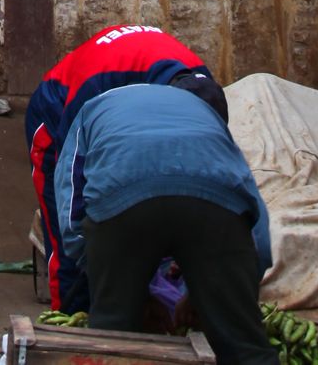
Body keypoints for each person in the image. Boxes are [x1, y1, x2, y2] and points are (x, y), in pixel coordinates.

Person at [54, 71, 274, 365]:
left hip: (121, 200)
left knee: (112, 336)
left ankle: (112, 339)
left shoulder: (93, 108)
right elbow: (256, 235)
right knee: (244, 345)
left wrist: (105, 272)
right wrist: (217, 296)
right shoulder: (209, 123)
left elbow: (70, 205)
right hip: (214, 204)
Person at [26, 22, 212, 309]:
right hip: (58, 119)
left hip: (125, 127)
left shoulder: (203, 87)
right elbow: (73, 169)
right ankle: (73, 329)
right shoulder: (100, 82)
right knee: (71, 244)